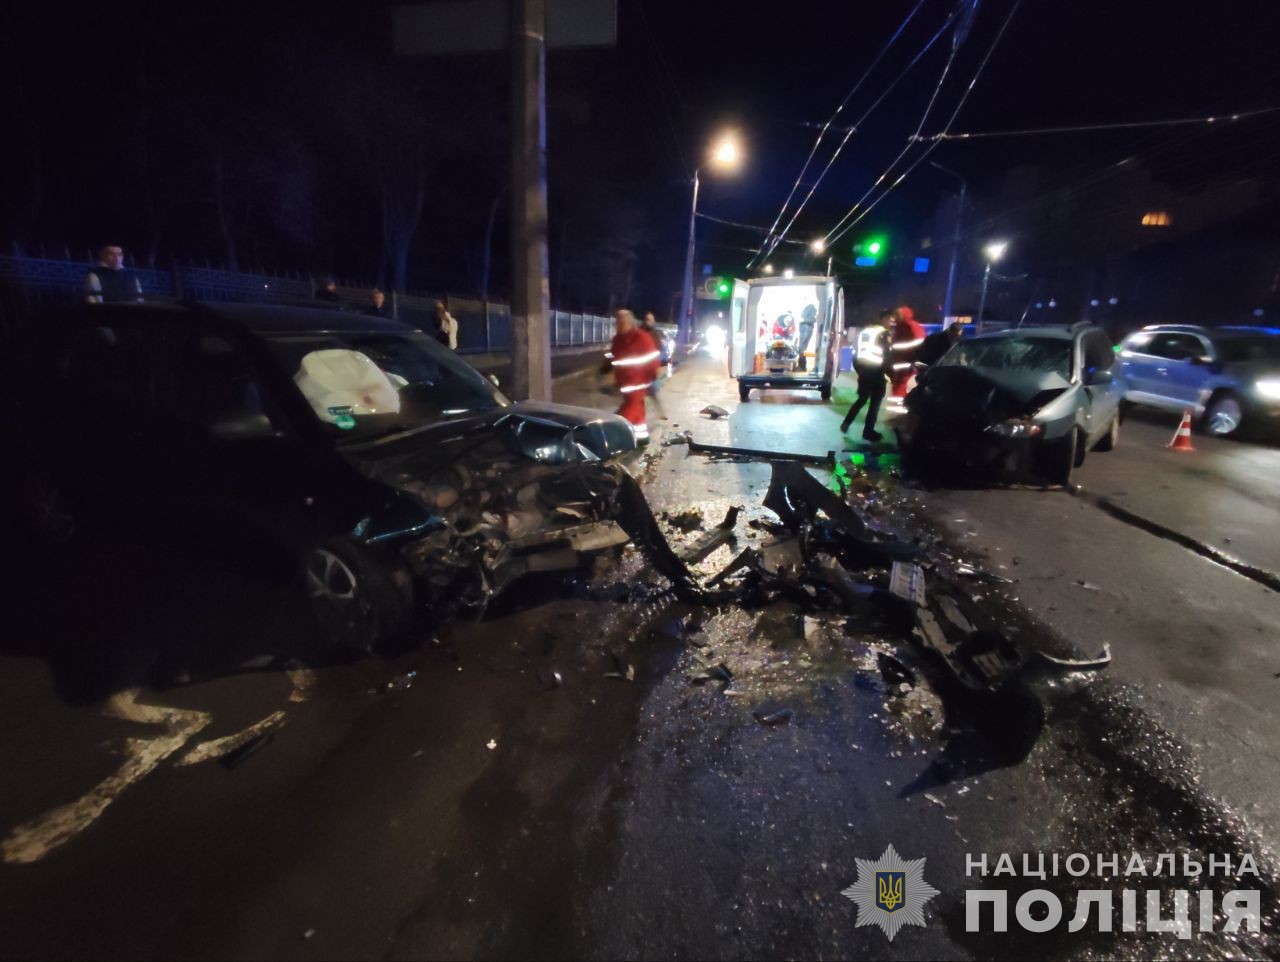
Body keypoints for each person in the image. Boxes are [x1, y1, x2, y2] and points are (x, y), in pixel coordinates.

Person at [602, 309, 660, 444]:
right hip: (625, 385)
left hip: (638, 385)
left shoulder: (642, 338)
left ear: (630, 322)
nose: (618, 325)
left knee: (626, 414)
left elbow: (653, 360)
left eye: (622, 322)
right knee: (637, 412)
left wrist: (651, 379)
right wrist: (604, 369)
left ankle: (613, 438)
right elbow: (614, 357)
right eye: (617, 322)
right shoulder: (618, 339)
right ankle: (641, 436)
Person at [840, 311, 893, 442]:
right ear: (884, 319)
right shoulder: (884, 334)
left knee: (862, 399)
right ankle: (868, 431)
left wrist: (861, 371)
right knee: (875, 403)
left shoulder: (865, 332)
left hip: (864, 371)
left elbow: (856, 354)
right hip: (877, 373)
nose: (892, 323)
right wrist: (891, 374)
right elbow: (887, 356)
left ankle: (846, 423)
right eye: (890, 320)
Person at [888, 305, 926, 398]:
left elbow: (920, 341)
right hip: (900, 362)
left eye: (897, 315)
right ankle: (898, 402)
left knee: (903, 385)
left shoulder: (912, 326)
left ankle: (901, 402)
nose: (894, 318)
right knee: (898, 385)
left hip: (908, 363)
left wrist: (911, 354)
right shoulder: (899, 327)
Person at [640, 312, 669, 420]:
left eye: (650, 320)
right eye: (647, 319)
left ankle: (660, 413)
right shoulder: (640, 332)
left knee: (653, 392)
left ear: (653, 322)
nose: (648, 322)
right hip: (640, 368)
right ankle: (640, 415)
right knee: (638, 394)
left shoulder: (655, 334)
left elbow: (660, 350)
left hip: (650, 368)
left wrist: (658, 366)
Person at [797, 303, 818, 371]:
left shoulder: (806, 322)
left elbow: (803, 342)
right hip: (807, 327)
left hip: (806, 326)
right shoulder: (810, 321)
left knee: (802, 348)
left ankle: (802, 366)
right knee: (803, 348)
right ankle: (802, 366)